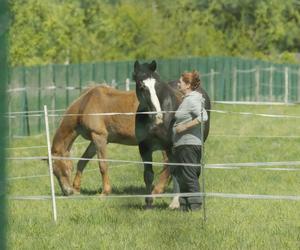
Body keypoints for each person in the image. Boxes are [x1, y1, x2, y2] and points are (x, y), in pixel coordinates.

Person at [172, 70, 208, 211]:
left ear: (187, 85)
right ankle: (185, 208)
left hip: (189, 144)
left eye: (180, 82)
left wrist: (185, 127)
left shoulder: (192, 100)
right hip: (183, 145)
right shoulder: (187, 99)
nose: (178, 84)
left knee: (189, 175)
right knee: (183, 176)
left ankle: (195, 208)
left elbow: (203, 116)